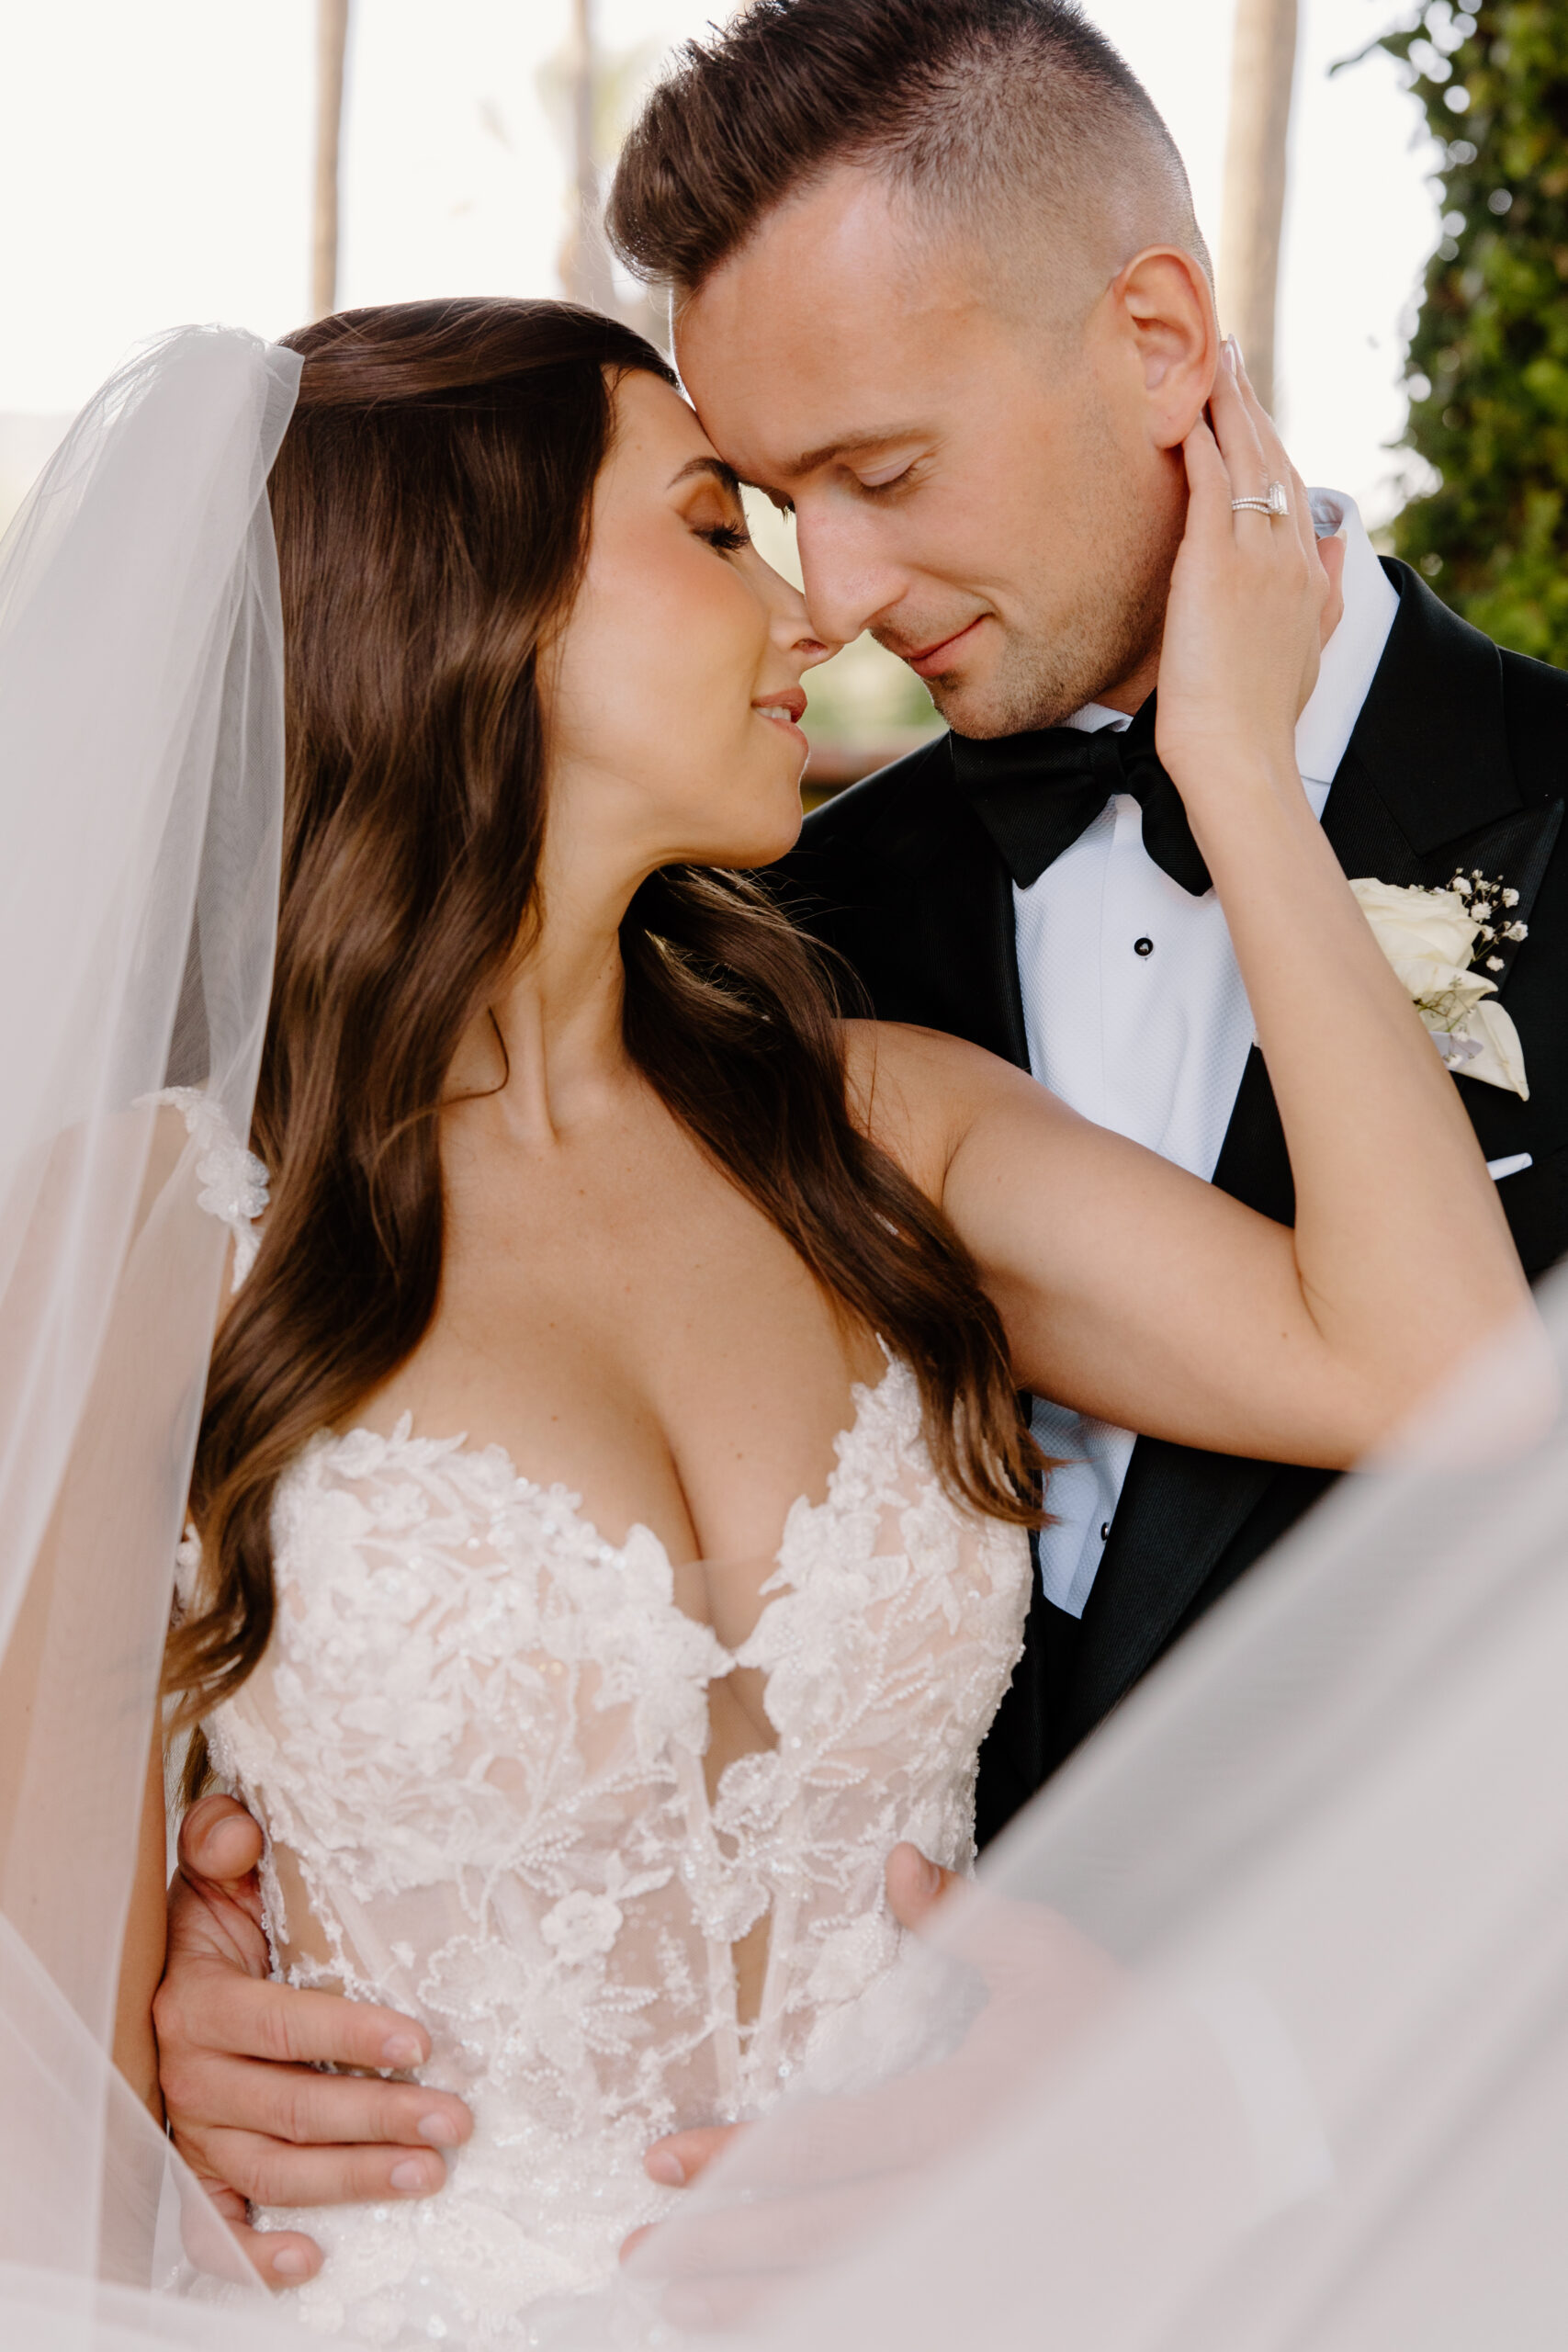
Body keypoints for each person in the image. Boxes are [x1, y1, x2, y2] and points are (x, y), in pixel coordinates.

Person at [162, 0, 1568, 2260]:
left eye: (871, 479)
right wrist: (142, 2003)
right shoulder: (781, 938)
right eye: (743, 507)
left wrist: (1241, 777)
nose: (821, 599)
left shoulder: (857, 1099)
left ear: (1157, 336)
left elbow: (1442, 1400)